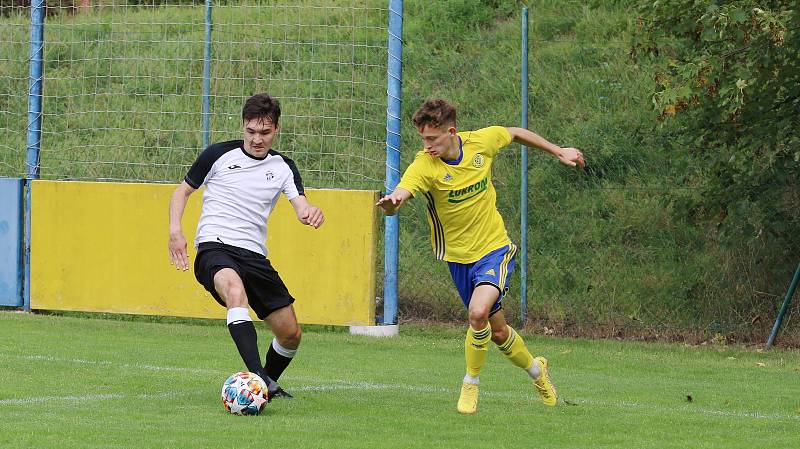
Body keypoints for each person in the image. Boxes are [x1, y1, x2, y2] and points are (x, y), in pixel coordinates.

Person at [376, 98, 585, 414]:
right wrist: (394, 203)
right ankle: (537, 372)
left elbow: (513, 133)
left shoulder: (481, 143)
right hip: (459, 260)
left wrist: (558, 150)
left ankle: (470, 384)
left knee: (477, 313)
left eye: (432, 138)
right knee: (498, 331)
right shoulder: (424, 165)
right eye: (423, 139)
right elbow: (405, 190)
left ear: (452, 131)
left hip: (494, 249)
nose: (427, 145)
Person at [168, 93, 324, 399]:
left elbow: (301, 206)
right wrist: (176, 231)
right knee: (235, 293)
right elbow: (181, 193)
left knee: (290, 334)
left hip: (254, 255)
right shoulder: (218, 155)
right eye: (251, 131)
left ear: (276, 129)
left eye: (264, 133)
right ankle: (259, 381)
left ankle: (265, 382)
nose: (256, 139)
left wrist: (309, 213)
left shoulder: (283, 167)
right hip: (215, 246)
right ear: (243, 127)